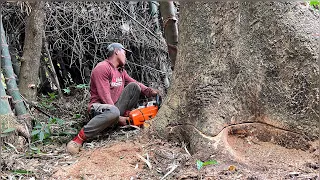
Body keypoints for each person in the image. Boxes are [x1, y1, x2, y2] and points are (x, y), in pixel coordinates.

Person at [66, 43, 160, 154]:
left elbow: (135, 83)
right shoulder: (102, 68)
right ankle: (79, 138)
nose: (126, 56)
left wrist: (150, 92)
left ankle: (121, 119)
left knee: (134, 87)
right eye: (124, 53)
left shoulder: (121, 71)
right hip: (99, 109)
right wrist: (118, 117)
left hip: (114, 109)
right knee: (113, 110)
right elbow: (104, 96)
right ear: (116, 51)